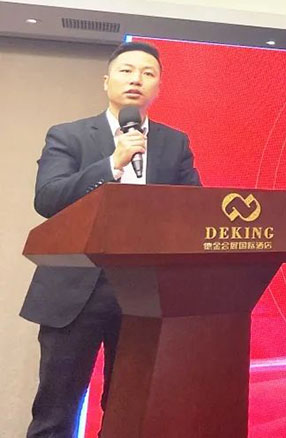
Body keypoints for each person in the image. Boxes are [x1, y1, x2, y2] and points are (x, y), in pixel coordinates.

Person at [20, 41, 201, 437]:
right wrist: (112, 164)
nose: (136, 79)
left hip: (145, 292)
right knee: (56, 411)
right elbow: (48, 199)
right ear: (107, 81)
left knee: (130, 410)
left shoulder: (175, 143)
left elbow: (194, 210)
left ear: (158, 88)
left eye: (148, 73)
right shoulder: (68, 136)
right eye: (126, 70)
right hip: (76, 291)